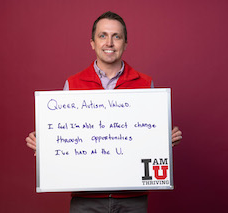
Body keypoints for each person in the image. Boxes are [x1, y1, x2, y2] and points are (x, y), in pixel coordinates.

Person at [26, 11, 182, 213]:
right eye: (103, 36)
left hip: (132, 198)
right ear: (92, 43)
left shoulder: (145, 84)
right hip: (86, 199)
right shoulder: (73, 84)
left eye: (116, 36)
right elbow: (66, 136)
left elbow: (148, 136)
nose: (109, 42)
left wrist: (164, 141)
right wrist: (45, 145)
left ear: (125, 44)